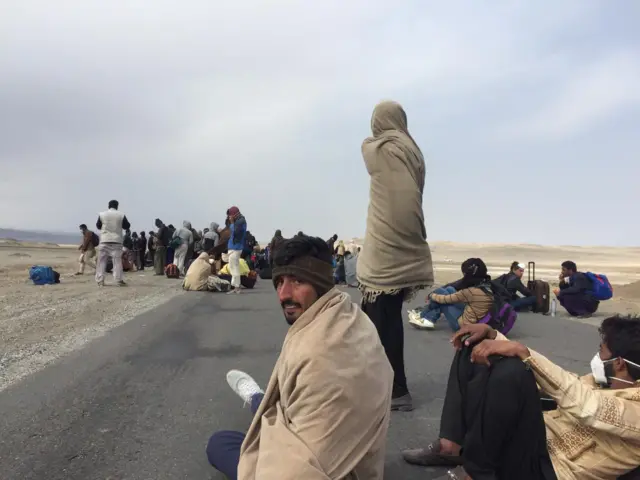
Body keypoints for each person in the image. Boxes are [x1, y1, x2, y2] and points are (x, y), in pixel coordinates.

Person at [205, 235, 393, 479]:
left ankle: (259, 401)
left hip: (327, 471)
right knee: (271, 410)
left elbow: (296, 471)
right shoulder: (352, 318)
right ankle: (259, 400)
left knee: (220, 443)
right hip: (362, 463)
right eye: (280, 281)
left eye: (297, 280)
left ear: (321, 283)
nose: (284, 294)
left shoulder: (316, 351)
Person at [402, 315, 640, 480]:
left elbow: (588, 406)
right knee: (476, 346)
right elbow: (563, 382)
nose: (597, 356)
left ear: (618, 363)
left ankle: (476, 474)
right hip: (535, 442)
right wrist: (496, 337)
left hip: (549, 468)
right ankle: (450, 447)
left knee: (513, 373)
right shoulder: (601, 382)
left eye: (601, 350)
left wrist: (524, 353)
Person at [357, 100, 435, 412]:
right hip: (408, 241)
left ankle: (394, 389)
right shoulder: (412, 150)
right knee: (384, 318)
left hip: (384, 246)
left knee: (378, 320)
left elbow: (366, 147)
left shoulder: (378, 148)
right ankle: (387, 385)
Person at [408, 258, 493, 331]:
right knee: (450, 289)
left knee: (441, 296)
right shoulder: (486, 285)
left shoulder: (472, 291)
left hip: (462, 326)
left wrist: (431, 295)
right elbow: (455, 288)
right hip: (475, 318)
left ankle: (424, 317)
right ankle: (426, 316)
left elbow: (446, 299)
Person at [95, 200, 130, 287]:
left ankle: (100, 281)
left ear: (108, 206)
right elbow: (127, 226)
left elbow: (98, 226)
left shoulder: (102, 214)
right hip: (116, 241)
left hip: (104, 240)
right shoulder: (121, 215)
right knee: (117, 261)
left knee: (102, 261)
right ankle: (118, 280)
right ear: (117, 206)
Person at [226, 206, 247, 294]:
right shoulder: (239, 220)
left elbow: (235, 231)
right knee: (234, 267)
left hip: (236, 247)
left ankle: (237, 287)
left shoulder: (240, 221)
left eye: (230, 214)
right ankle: (235, 286)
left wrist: (231, 223)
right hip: (235, 247)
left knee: (234, 267)